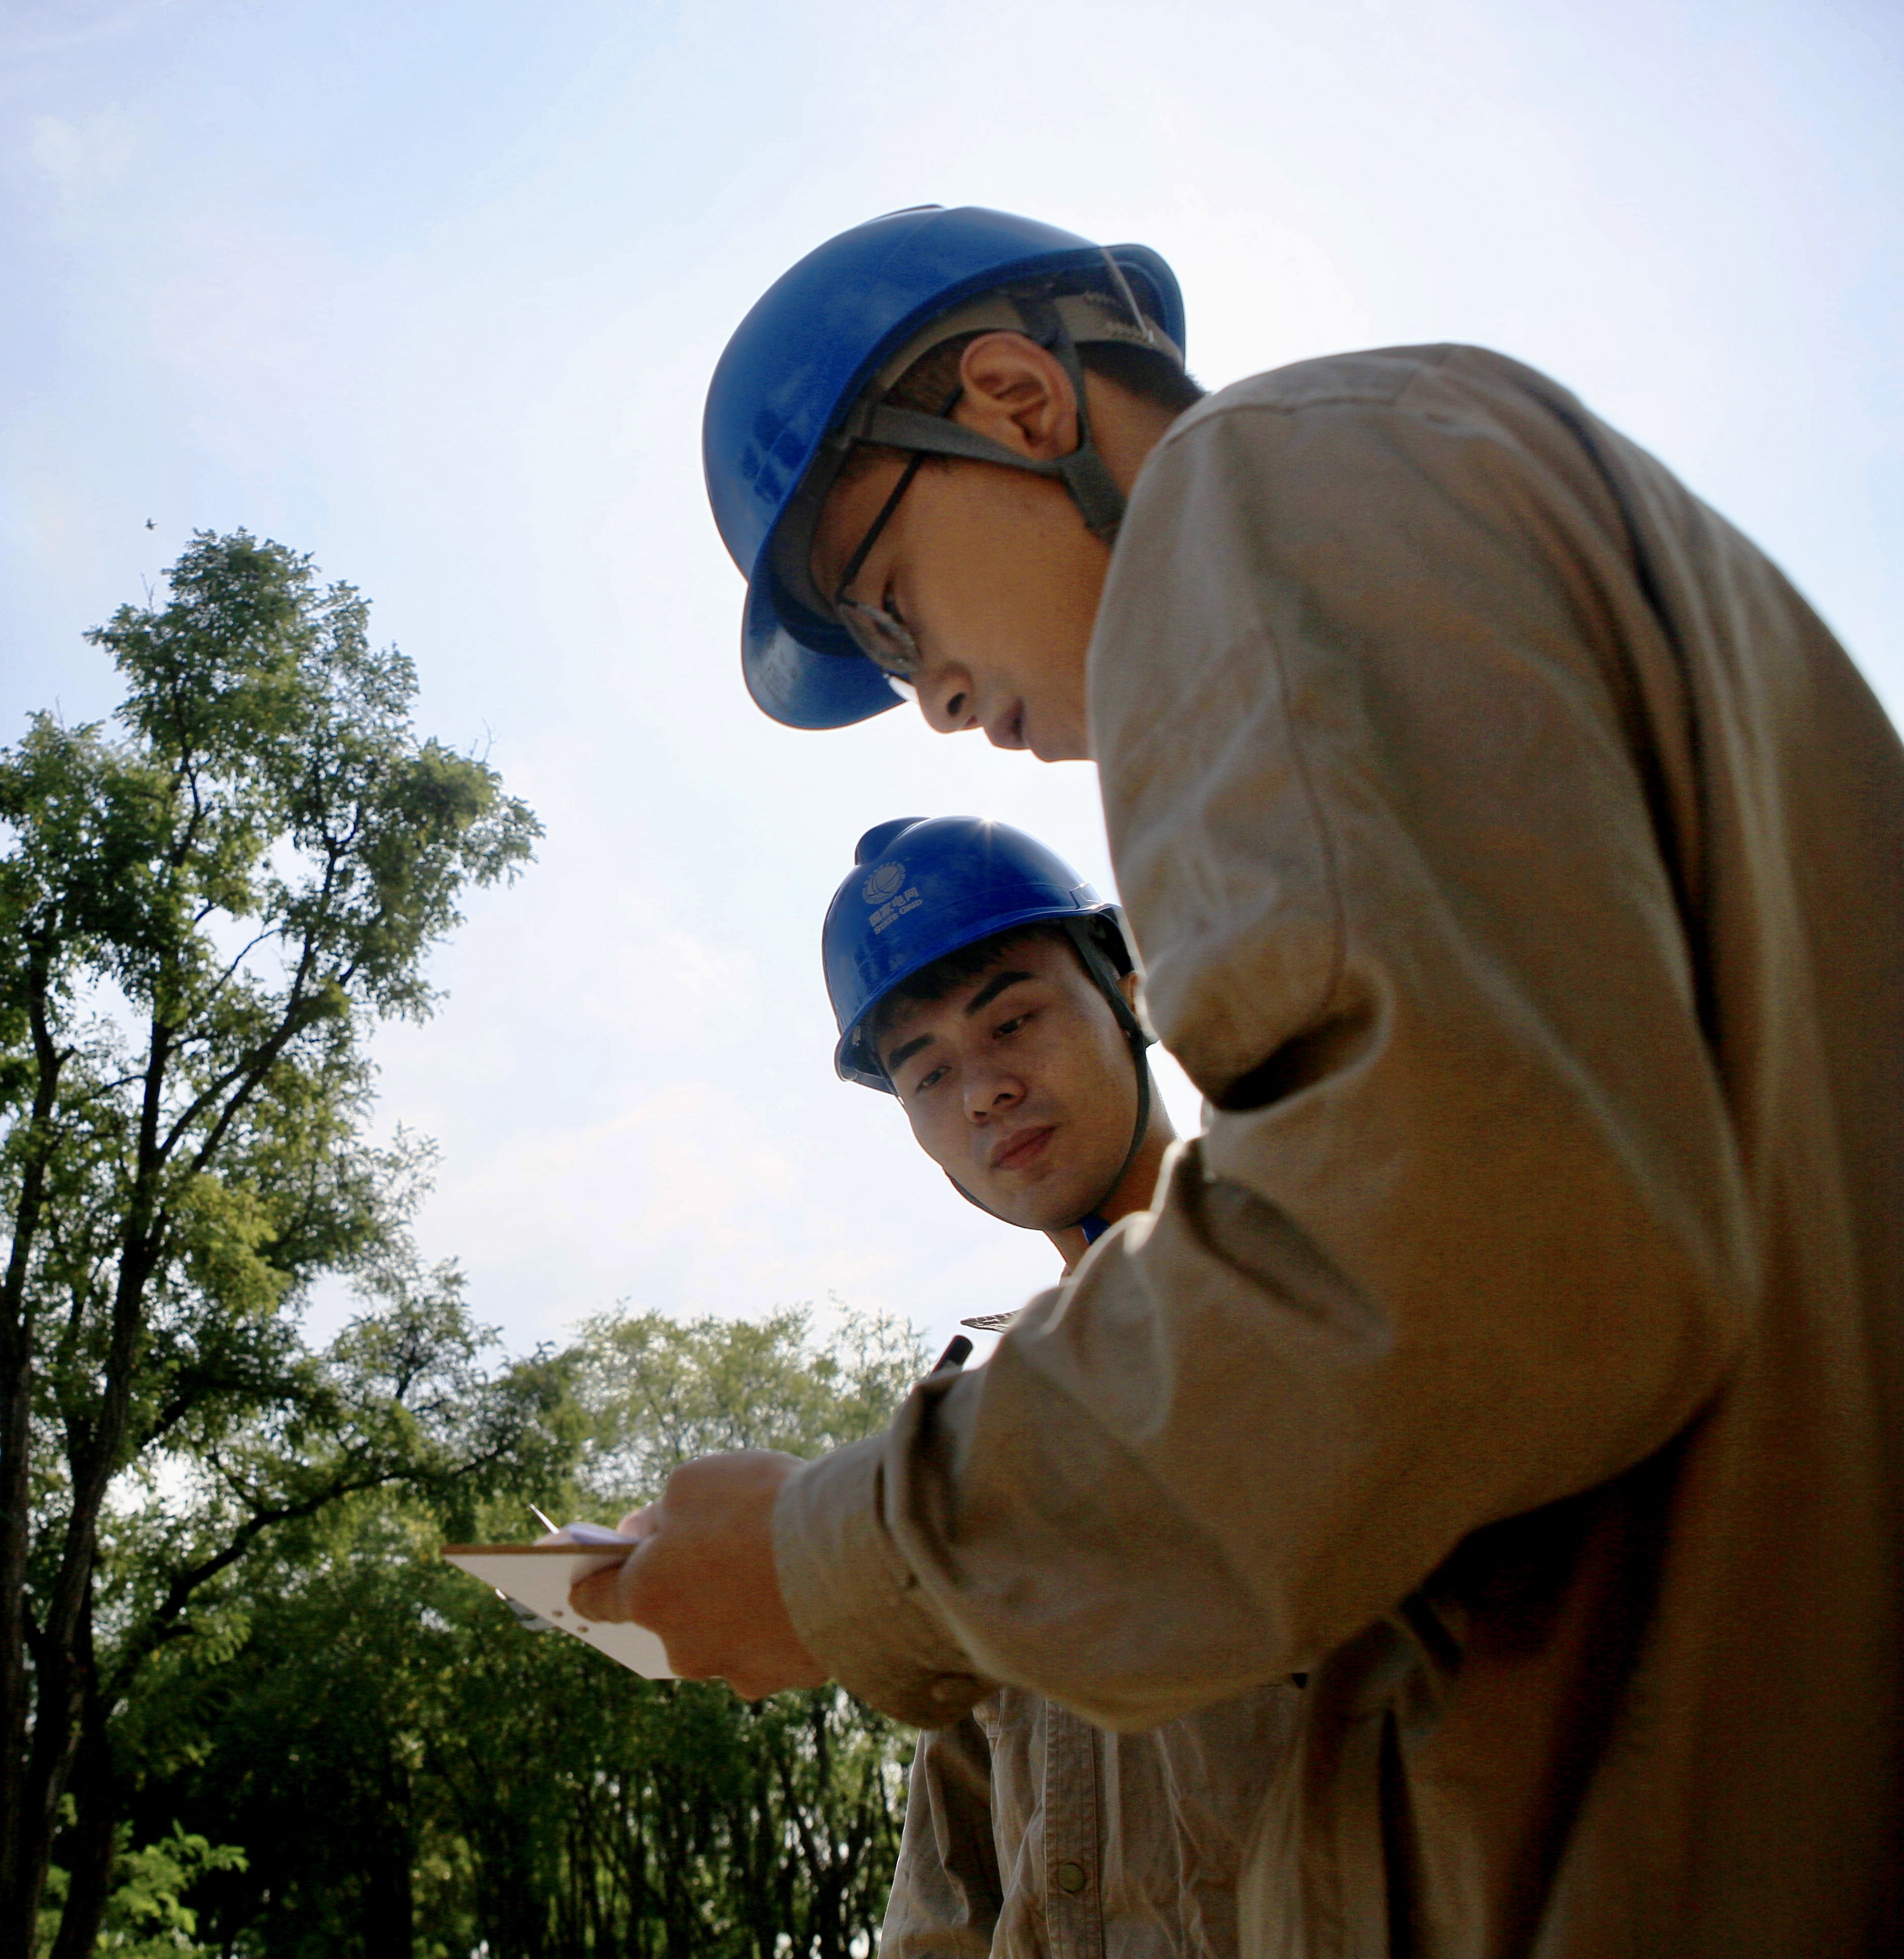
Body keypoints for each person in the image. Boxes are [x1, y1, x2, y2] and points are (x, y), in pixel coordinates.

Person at [574, 204, 1904, 1954]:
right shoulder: (1478, 490)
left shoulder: (1259, 490)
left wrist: (841, 1559)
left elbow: (1460, 1257)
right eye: (922, 1069)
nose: (942, 698)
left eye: (896, 612)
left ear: (1015, 400)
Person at [819, 812, 1299, 1957]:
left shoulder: (1328, 1289)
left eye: (1014, 1020)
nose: (981, 1092)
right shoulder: (974, 1439)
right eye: (927, 1072)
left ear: (1131, 995)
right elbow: (954, 1873)